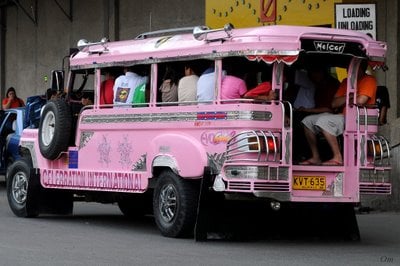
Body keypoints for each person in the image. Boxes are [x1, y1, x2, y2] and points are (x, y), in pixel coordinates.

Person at [300, 61, 376, 166]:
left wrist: (345, 98)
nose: (346, 70)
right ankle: (316, 157)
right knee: (307, 121)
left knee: (323, 121)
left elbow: (360, 101)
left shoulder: (369, 80)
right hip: (343, 115)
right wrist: (350, 96)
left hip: (357, 118)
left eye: (350, 68)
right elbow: (334, 103)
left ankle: (338, 157)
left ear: (360, 69)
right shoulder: (346, 81)